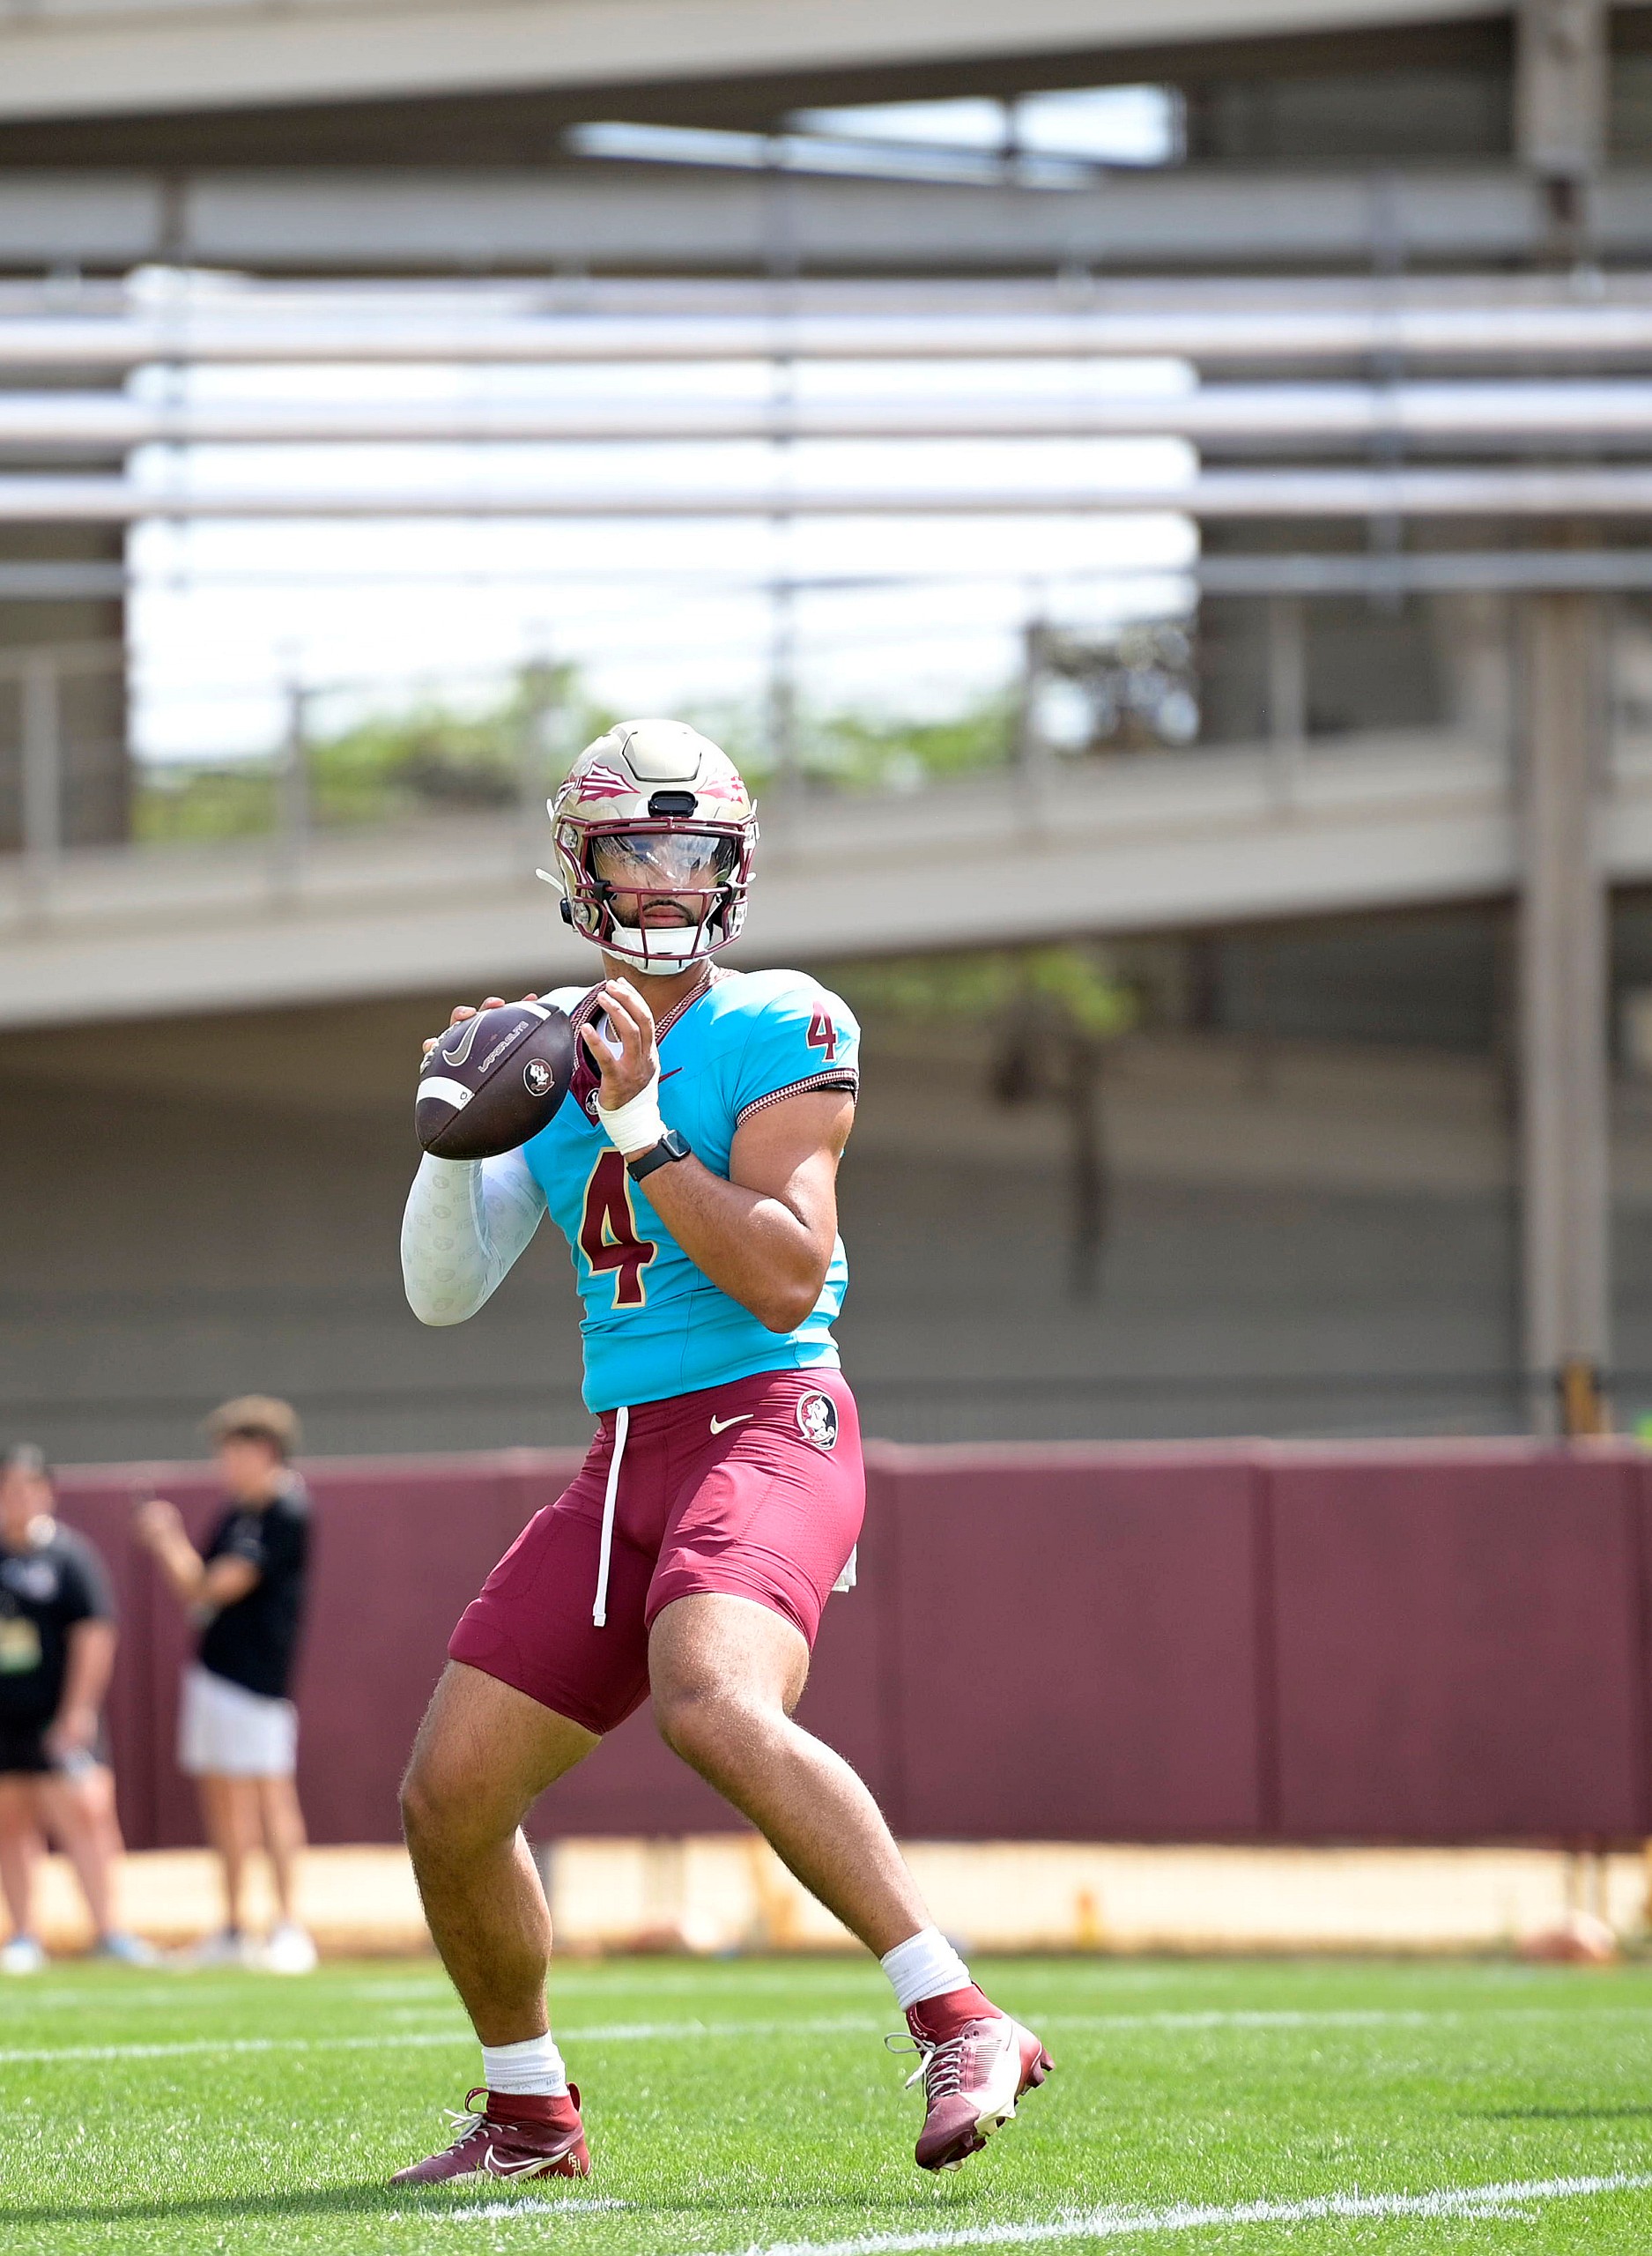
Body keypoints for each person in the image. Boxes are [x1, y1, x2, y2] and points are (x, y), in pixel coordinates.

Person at [395, 718, 1052, 2185]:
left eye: (689, 851)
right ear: (582, 867)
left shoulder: (782, 1022)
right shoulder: (545, 1046)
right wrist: (446, 1137)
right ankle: (527, 2113)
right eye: (634, 850)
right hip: (623, 1456)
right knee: (450, 1795)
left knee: (711, 1701)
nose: (663, 878)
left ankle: (959, 2014)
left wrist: (637, 1124)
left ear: (731, 870)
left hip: (769, 1418)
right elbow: (440, 1297)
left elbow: (779, 1274)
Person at [135, 1396, 317, 1974]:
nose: (224, 1465)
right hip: (214, 1672)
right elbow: (200, 1593)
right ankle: (236, 1928)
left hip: (258, 1681)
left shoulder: (285, 1510)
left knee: (269, 1797)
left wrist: (166, 1539)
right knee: (221, 1800)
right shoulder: (235, 1513)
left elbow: (211, 1586)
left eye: (233, 1453)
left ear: (263, 1451)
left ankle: (288, 1926)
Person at [0, 1443, 152, 1970]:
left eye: (26, 1487)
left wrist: (77, 1712)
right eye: (6, 1488)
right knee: (10, 1821)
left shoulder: (69, 1557)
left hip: (56, 1713)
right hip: (6, 1718)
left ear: (47, 1493)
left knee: (85, 1815)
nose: (16, 1498)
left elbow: (94, 1635)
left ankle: (110, 1931)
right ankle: (24, 1934)